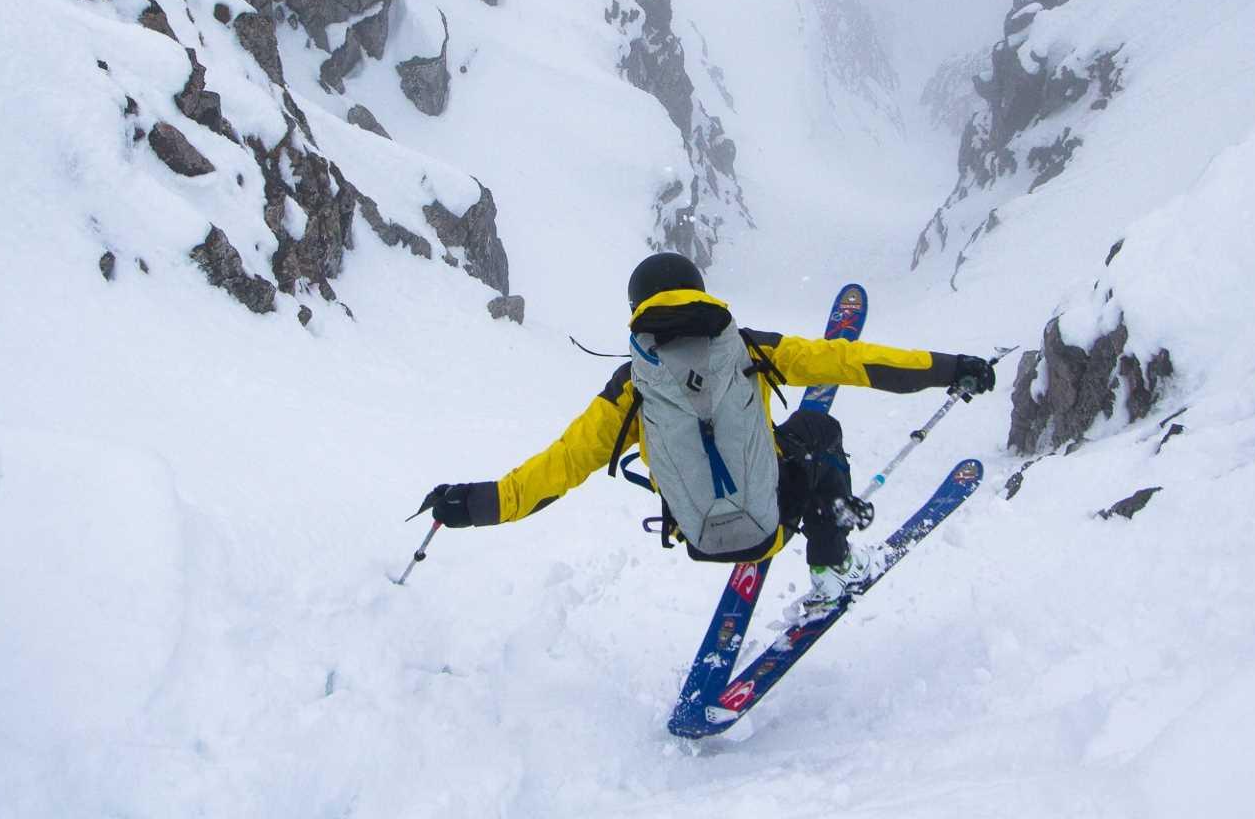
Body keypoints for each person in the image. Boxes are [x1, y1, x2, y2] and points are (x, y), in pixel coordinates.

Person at [421, 251, 997, 611]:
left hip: (699, 539)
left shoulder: (631, 389)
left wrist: (473, 504)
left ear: (637, 308)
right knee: (820, 428)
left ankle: (791, 527)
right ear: (698, 290)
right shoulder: (747, 348)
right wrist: (950, 368)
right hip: (774, 517)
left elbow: (559, 466)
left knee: (793, 441)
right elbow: (853, 362)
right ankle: (831, 559)